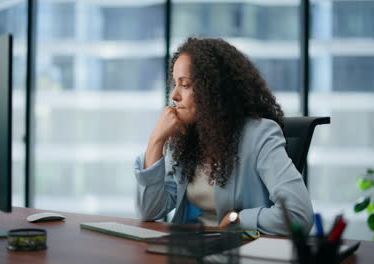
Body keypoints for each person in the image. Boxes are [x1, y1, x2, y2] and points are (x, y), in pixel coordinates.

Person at [134, 37, 313, 235]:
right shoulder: (185, 139)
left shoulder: (259, 135)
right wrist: (156, 140)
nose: (174, 95)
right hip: (189, 247)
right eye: (174, 84)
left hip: (238, 252)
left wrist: (240, 219)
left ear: (213, 90)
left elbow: (298, 215)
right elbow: (149, 210)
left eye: (185, 85)